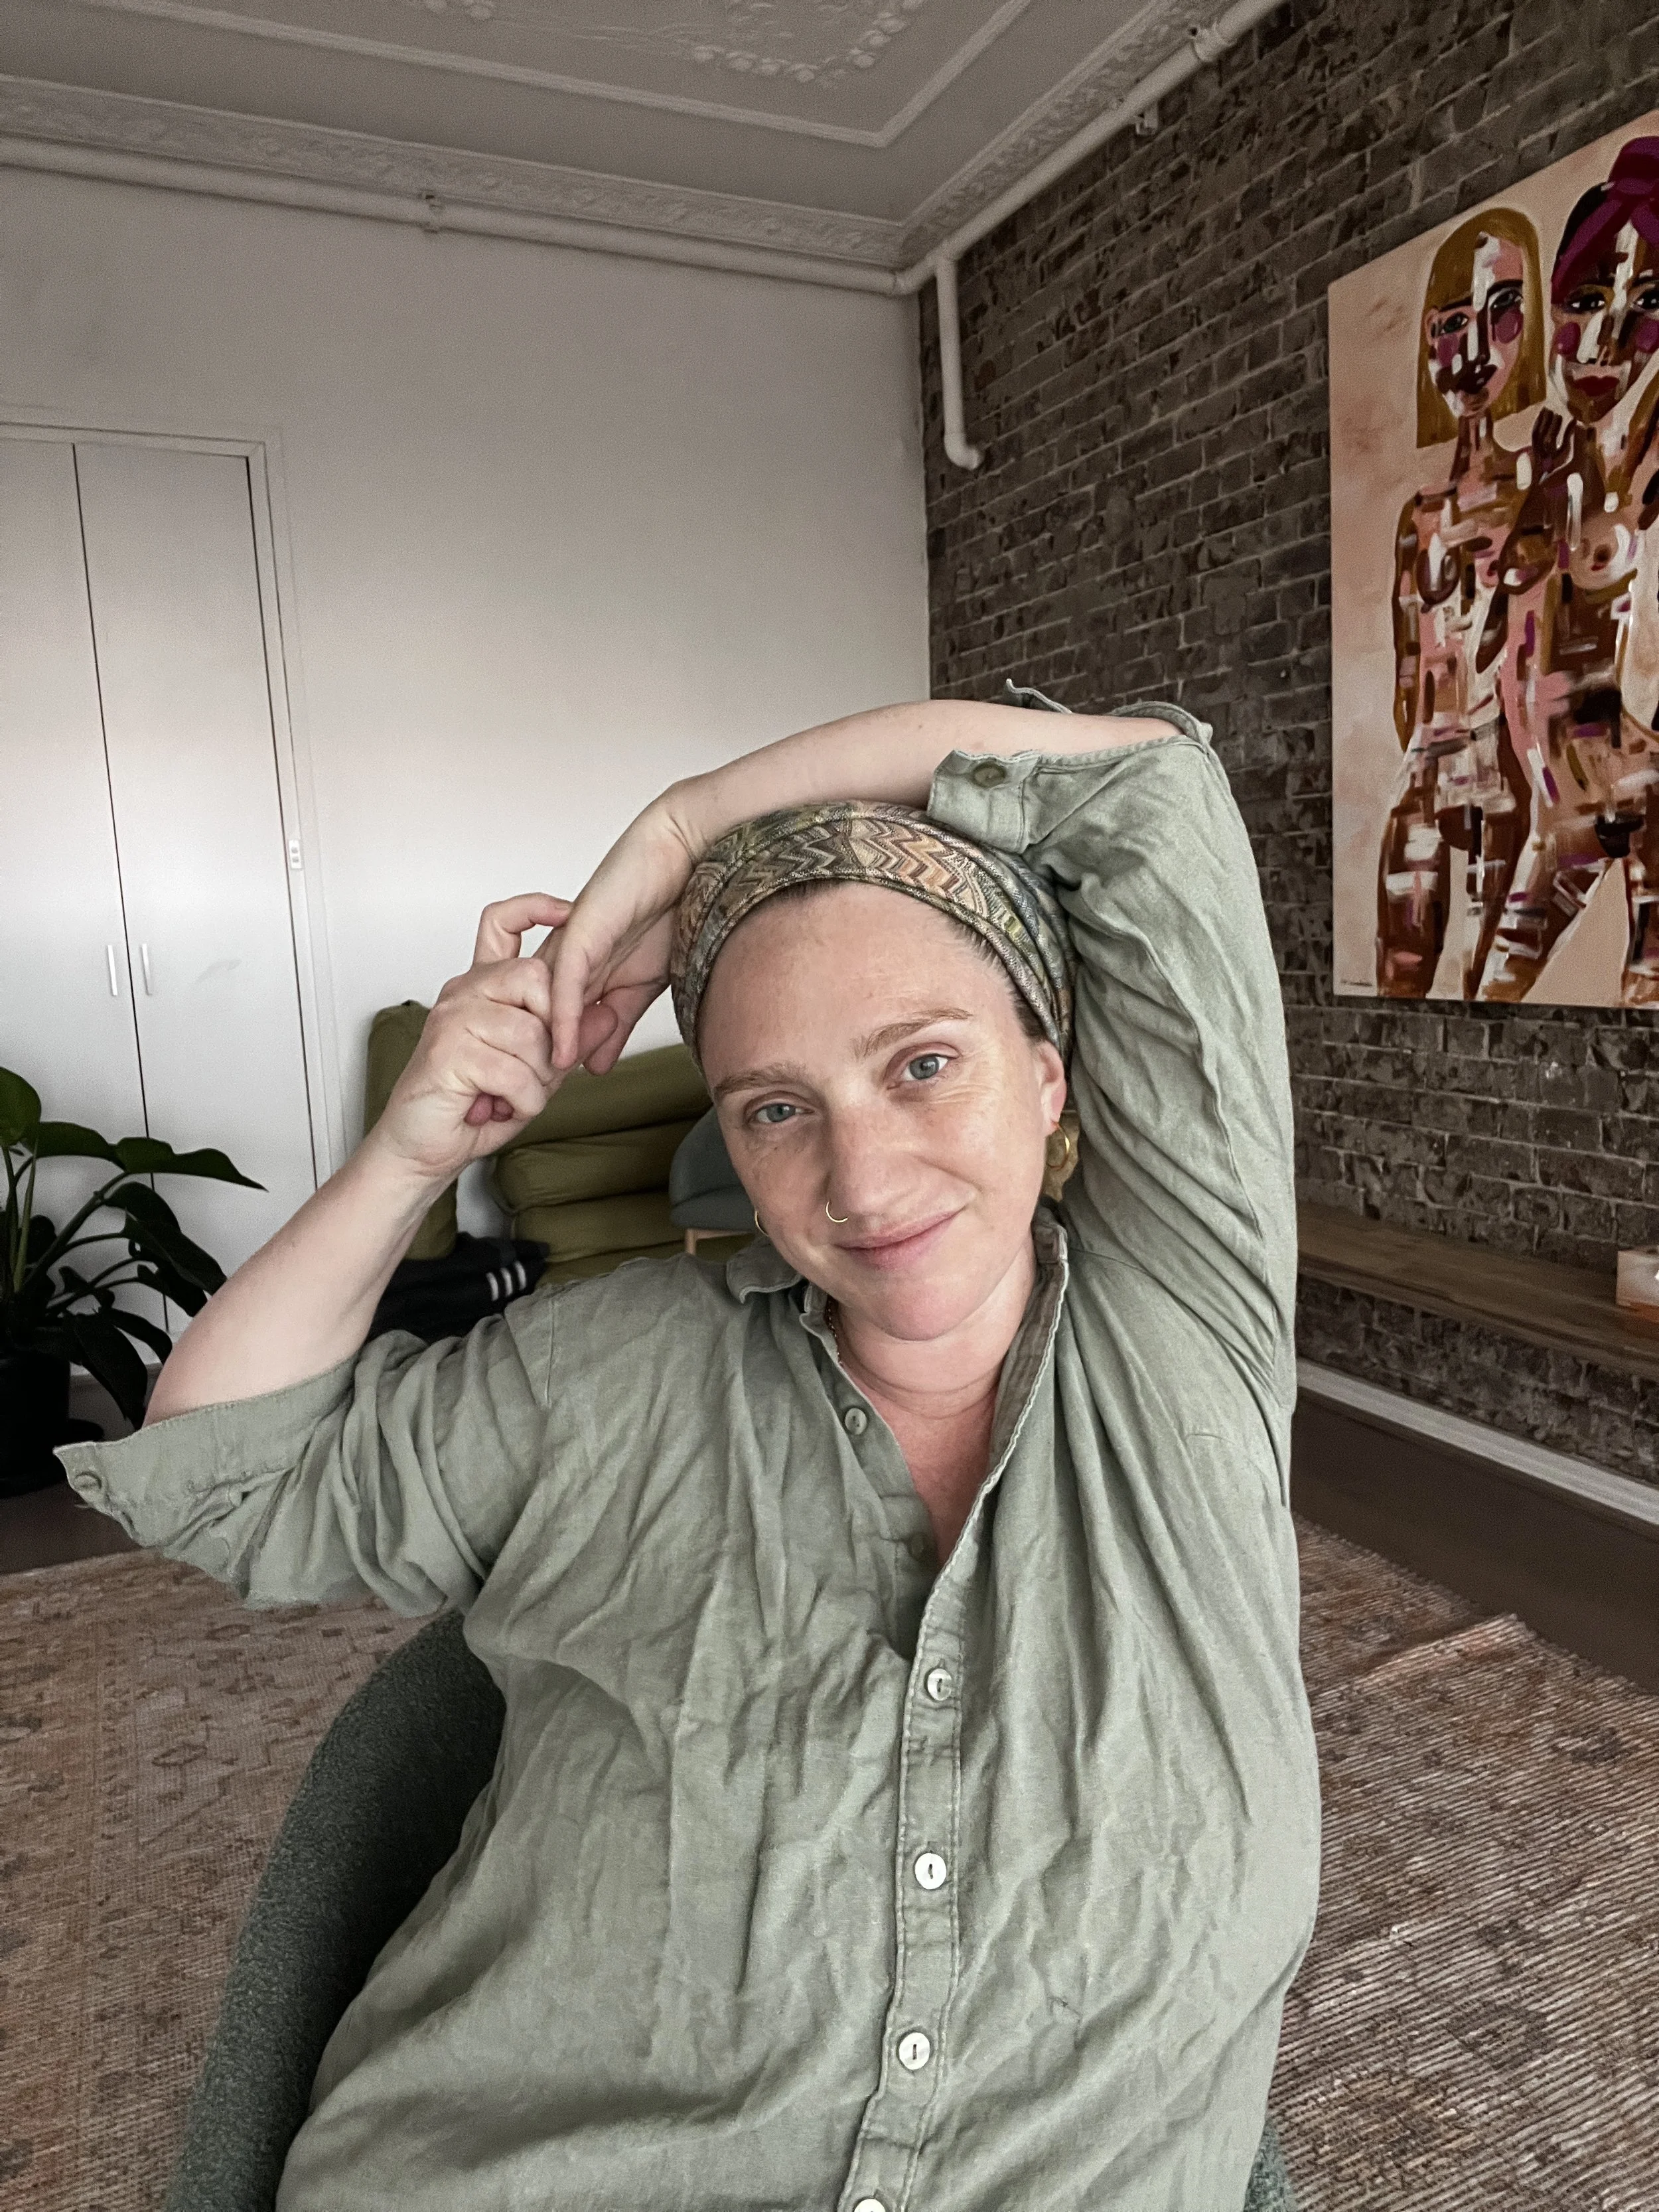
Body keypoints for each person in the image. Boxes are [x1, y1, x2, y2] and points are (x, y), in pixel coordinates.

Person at [61, 686, 1320, 2212]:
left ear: (1048, 1080)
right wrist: (412, 1155)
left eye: (923, 1063)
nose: (860, 1172)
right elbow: (228, 1480)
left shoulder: (1184, 1318)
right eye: (778, 1107)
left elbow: (1148, 791)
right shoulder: (616, 1367)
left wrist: (684, 823)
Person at [1477, 138, 1659, 1000]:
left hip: (1633, 783)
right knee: (1496, 986)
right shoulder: (1555, 457)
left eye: (1649, 302)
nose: (1611, 334)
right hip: (1560, 803)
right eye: (1589, 298)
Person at [1376, 206, 1544, 997]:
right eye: (1451, 324)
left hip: (1501, 770)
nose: (1473, 349)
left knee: (1486, 996)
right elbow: (1408, 661)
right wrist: (1419, 752)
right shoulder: (1419, 518)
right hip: (1424, 769)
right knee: (1399, 976)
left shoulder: (1539, 491)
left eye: (1502, 313)